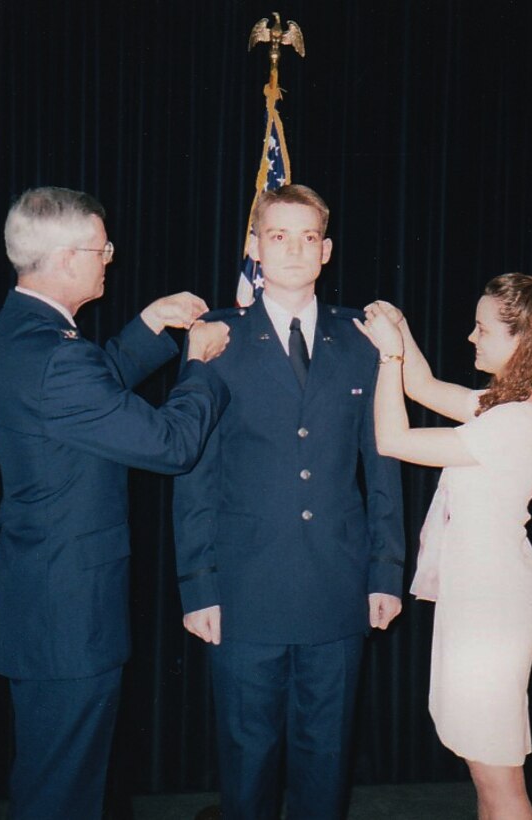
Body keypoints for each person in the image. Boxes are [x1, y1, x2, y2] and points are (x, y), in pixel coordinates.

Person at [0, 186, 231, 820]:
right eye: (101, 247)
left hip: (40, 606)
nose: (109, 259)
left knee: (54, 779)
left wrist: (148, 325)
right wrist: (199, 366)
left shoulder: (19, 334)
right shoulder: (55, 358)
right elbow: (170, 444)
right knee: (65, 795)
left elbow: (93, 394)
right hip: (68, 622)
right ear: (65, 258)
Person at [173, 184, 405, 819]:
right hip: (245, 587)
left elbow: (382, 461)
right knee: (246, 761)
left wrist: (386, 572)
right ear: (255, 247)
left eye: (309, 237)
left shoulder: (359, 338)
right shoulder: (217, 336)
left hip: (337, 583)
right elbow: (193, 470)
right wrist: (199, 585)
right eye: (278, 235)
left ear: (326, 250)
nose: (294, 249)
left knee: (325, 756)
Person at [355, 274, 532, 820]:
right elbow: (426, 387)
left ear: (522, 343)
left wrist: (389, 358)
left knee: (497, 775)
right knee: (486, 765)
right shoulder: (510, 408)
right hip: (483, 591)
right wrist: (403, 332)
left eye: (483, 328)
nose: (471, 337)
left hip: (492, 600)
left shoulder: (517, 422)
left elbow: (395, 440)